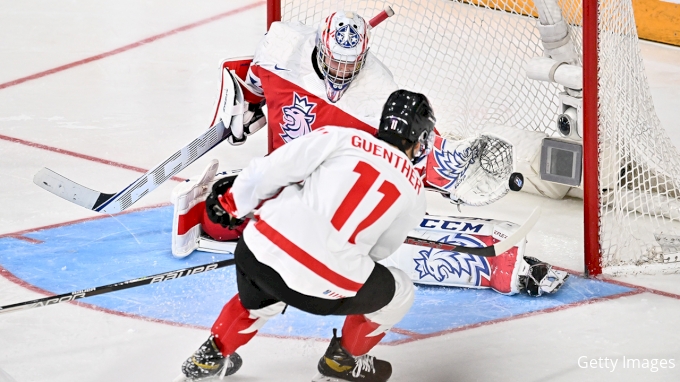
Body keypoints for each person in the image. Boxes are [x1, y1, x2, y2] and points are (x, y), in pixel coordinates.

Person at [174, 90, 435, 382]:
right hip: (325, 290)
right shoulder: (415, 192)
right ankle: (342, 363)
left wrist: (231, 202)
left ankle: (212, 355)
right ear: (420, 139)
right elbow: (379, 251)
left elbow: (270, 171)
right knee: (401, 292)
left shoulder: (342, 138)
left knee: (263, 285)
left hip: (256, 254)